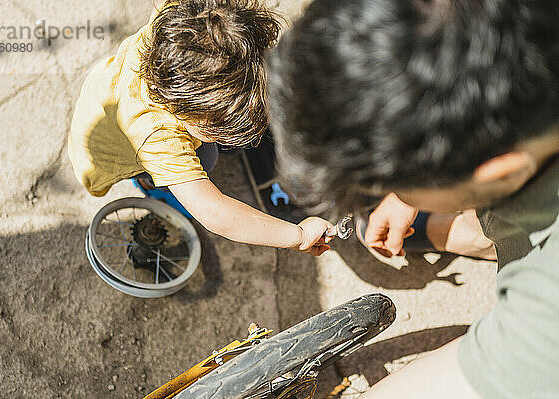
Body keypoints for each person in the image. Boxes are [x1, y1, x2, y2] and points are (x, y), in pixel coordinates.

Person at [267, 0, 559, 397]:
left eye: (397, 185)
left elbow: (471, 376)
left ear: (501, 170)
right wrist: (419, 186)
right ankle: (476, 235)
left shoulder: (548, 314)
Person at [68, 0, 334, 256]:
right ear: (188, 114)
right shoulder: (157, 138)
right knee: (207, 158)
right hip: (114, 150)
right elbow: (216, 212)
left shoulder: (182, 20)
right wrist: (298, 236)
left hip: (104, 89)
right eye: (218, 127)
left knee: (211, 149)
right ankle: (152, 185)